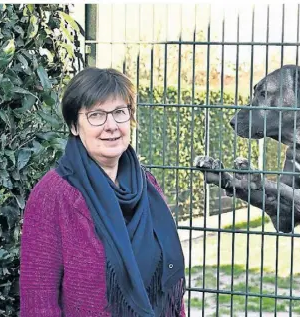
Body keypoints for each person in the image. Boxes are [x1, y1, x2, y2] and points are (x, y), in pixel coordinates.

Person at [20, 67, 186, 317]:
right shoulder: (52, 195)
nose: (111, 126)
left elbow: (168, 290)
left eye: (120, 112)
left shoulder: (148, 185)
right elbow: (39, 303)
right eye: (96, 115)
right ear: (75, 126)